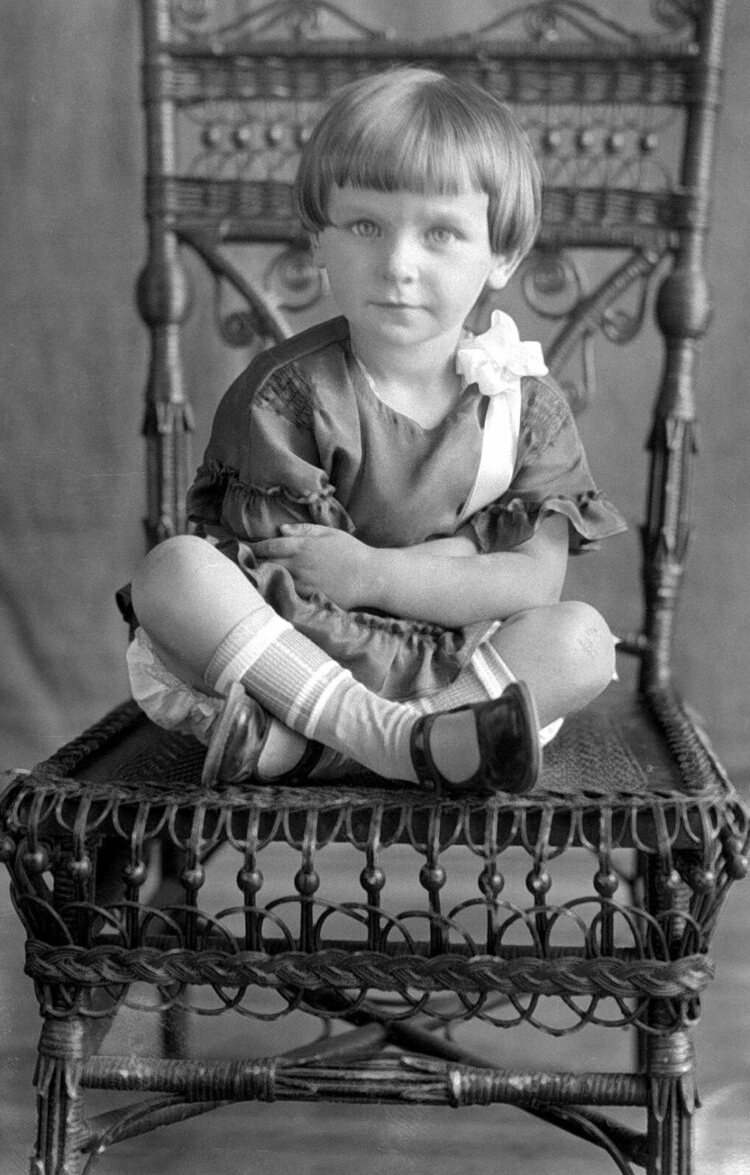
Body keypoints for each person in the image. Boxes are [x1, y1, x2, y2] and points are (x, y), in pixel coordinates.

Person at [128, 67, 626, 794]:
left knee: (583, 640)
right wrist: (463, 562)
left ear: (503, 256)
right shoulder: (288, 394)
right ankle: (403, 743)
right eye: (365, 225)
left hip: (461, 670)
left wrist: (372, 571)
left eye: (442, 233)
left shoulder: (526, 406)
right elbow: (299, 580)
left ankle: (322, 750)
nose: (398, 264)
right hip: (300, 662)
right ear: (318, 241)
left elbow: (533, 583)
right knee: (173, 572)